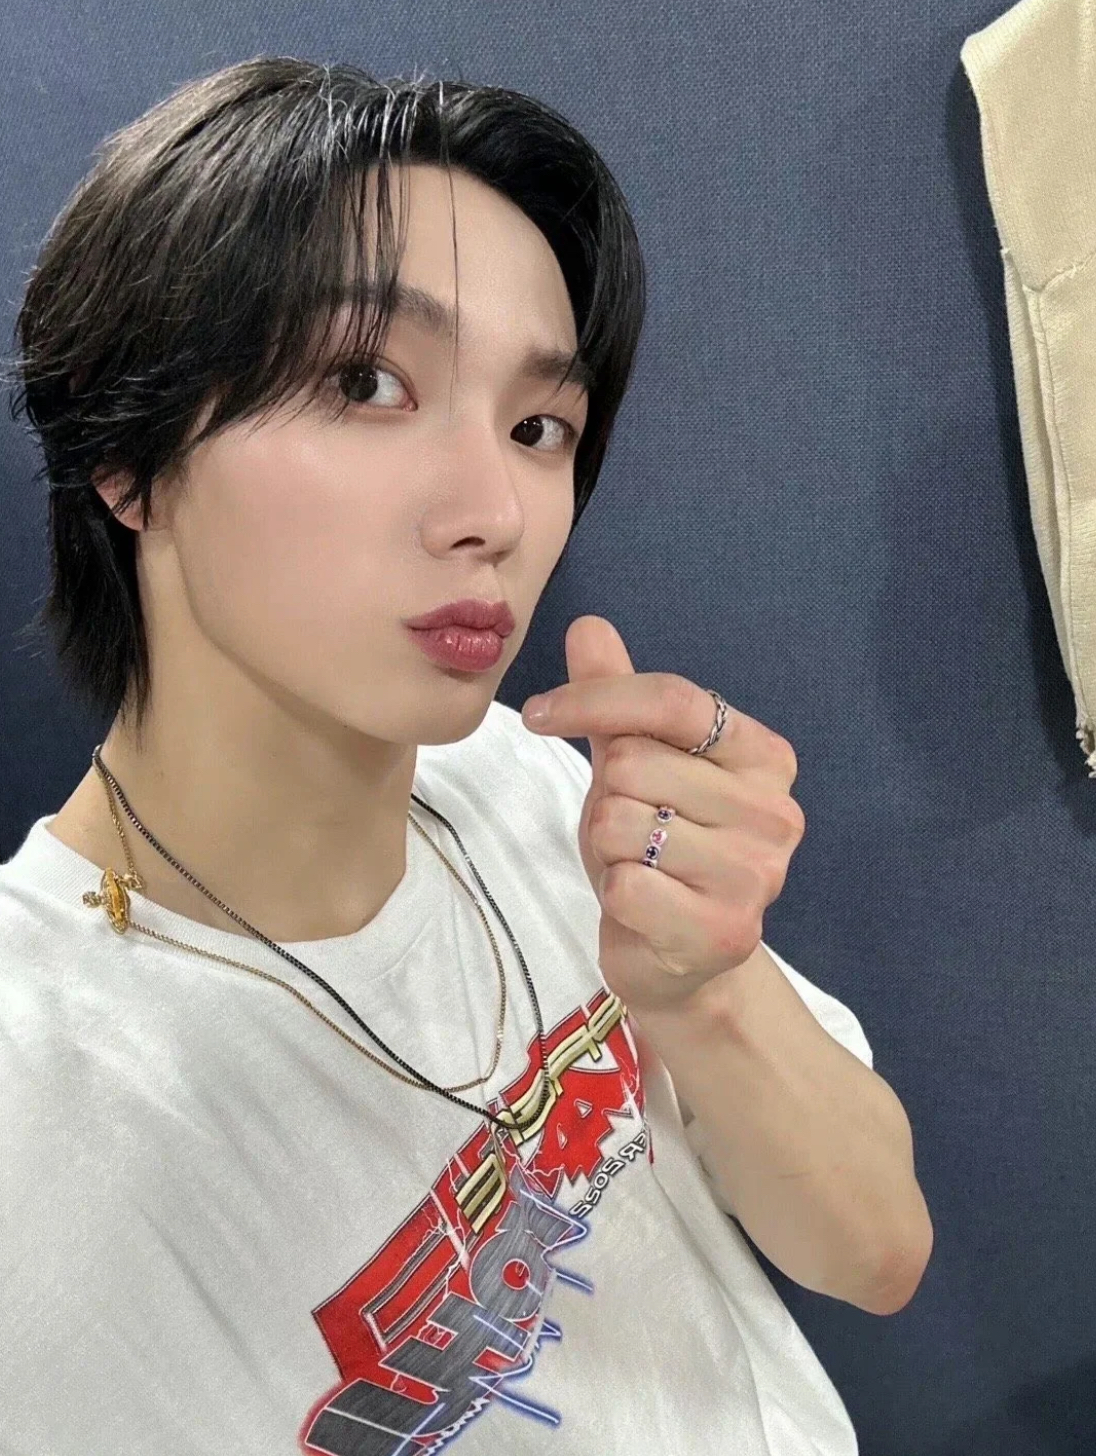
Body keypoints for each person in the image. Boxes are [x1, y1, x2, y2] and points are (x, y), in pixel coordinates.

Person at [0, 58, 930, 1454]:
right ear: (125, 454)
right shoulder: (38, 1118)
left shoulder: (543, 791)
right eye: (365, 382)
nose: (493, 507)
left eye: (538, 426)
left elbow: (878, 1253)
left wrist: (703, 990)